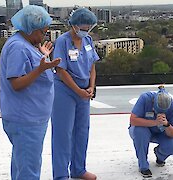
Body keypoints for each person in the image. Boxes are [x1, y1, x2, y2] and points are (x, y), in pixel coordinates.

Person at [0, 5, 61, 180]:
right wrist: (40, 69)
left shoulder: (27, 44)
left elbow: (33, 67)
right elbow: (17, 83)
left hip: (31, 118)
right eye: (42, 32)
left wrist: (42, 57)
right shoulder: (18, 48)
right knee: (28, 170)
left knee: (22, 164)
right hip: (26, 119)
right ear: (31, 28)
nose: (44, 36)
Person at [51, 8, 100, 180]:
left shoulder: (88, 40)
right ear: (74, 25)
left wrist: (91, 87)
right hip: (65, 91)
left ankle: (79, 169)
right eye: (83, 27)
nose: (86, 31)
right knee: (63, 133)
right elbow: (60, 70)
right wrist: (77, 90)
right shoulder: (62, 42)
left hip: (84, 91)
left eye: (89, 27)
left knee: (82, 131)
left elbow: (92, 65)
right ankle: (61, 174)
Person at [129, 85, 173, 178]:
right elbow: (133, 120)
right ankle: (143, 165)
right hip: (143, 129)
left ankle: (160, 155)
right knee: (140, 132)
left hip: (161, 132)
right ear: (153, 102)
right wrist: (155, 122)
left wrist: (167, 125)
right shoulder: (145, 98)